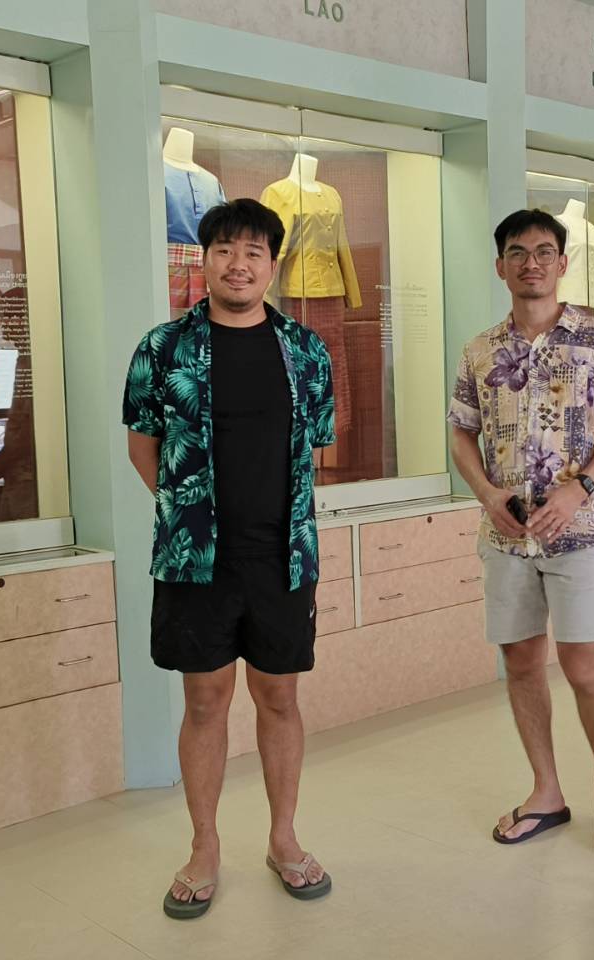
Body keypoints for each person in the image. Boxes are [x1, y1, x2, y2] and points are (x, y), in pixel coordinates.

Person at [122, 198, 337, 920]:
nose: (237, 264)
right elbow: (143, 446)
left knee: (280, 698)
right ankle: (204, 846)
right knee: (205, 700)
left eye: (252, 252)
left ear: (272, 265)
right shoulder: (162, 348)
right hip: (196, 559)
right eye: (224, 250)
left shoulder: (305, 350)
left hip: (283, 557)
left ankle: (283, 839)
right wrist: (191, 514)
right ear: (205, 260)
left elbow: (314, 449)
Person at [447, 208, 594, 856]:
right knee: (521, 661)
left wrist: (579, 486)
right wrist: (486, 493)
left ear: (561, 263)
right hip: (506, 536)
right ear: (499, 266)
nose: (530, 263)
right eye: (516, 252)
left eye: (541, 252)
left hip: (576, 531)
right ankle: (546, 791)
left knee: (584, 664)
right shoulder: (479, 350)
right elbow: (461, 432)